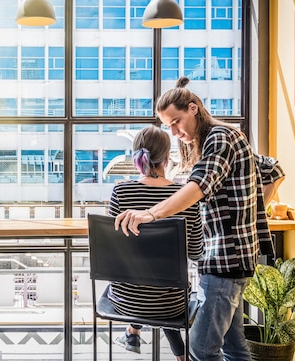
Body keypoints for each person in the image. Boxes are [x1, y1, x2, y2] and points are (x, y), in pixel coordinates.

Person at [114, 76, 285, 361]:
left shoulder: (220, 137)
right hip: (228, 258)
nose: (174, 131)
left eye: (176, 121)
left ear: (193, 108)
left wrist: (150, 213)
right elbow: (273, 171)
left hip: (225, 260)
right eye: (168, 126)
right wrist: (250, 211)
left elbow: (198, 186)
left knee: (201, 349)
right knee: (235, 348)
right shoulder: (215, 140)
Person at [107, 125, 204, 361]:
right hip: (171, 304)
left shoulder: (121, 191)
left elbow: (113, 248)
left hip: (126, 301)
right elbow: (196, 252)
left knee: (145, 280)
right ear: (167, 156)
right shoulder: (185, 196)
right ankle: (179, 355)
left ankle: (133, 331)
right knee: (163, 285)